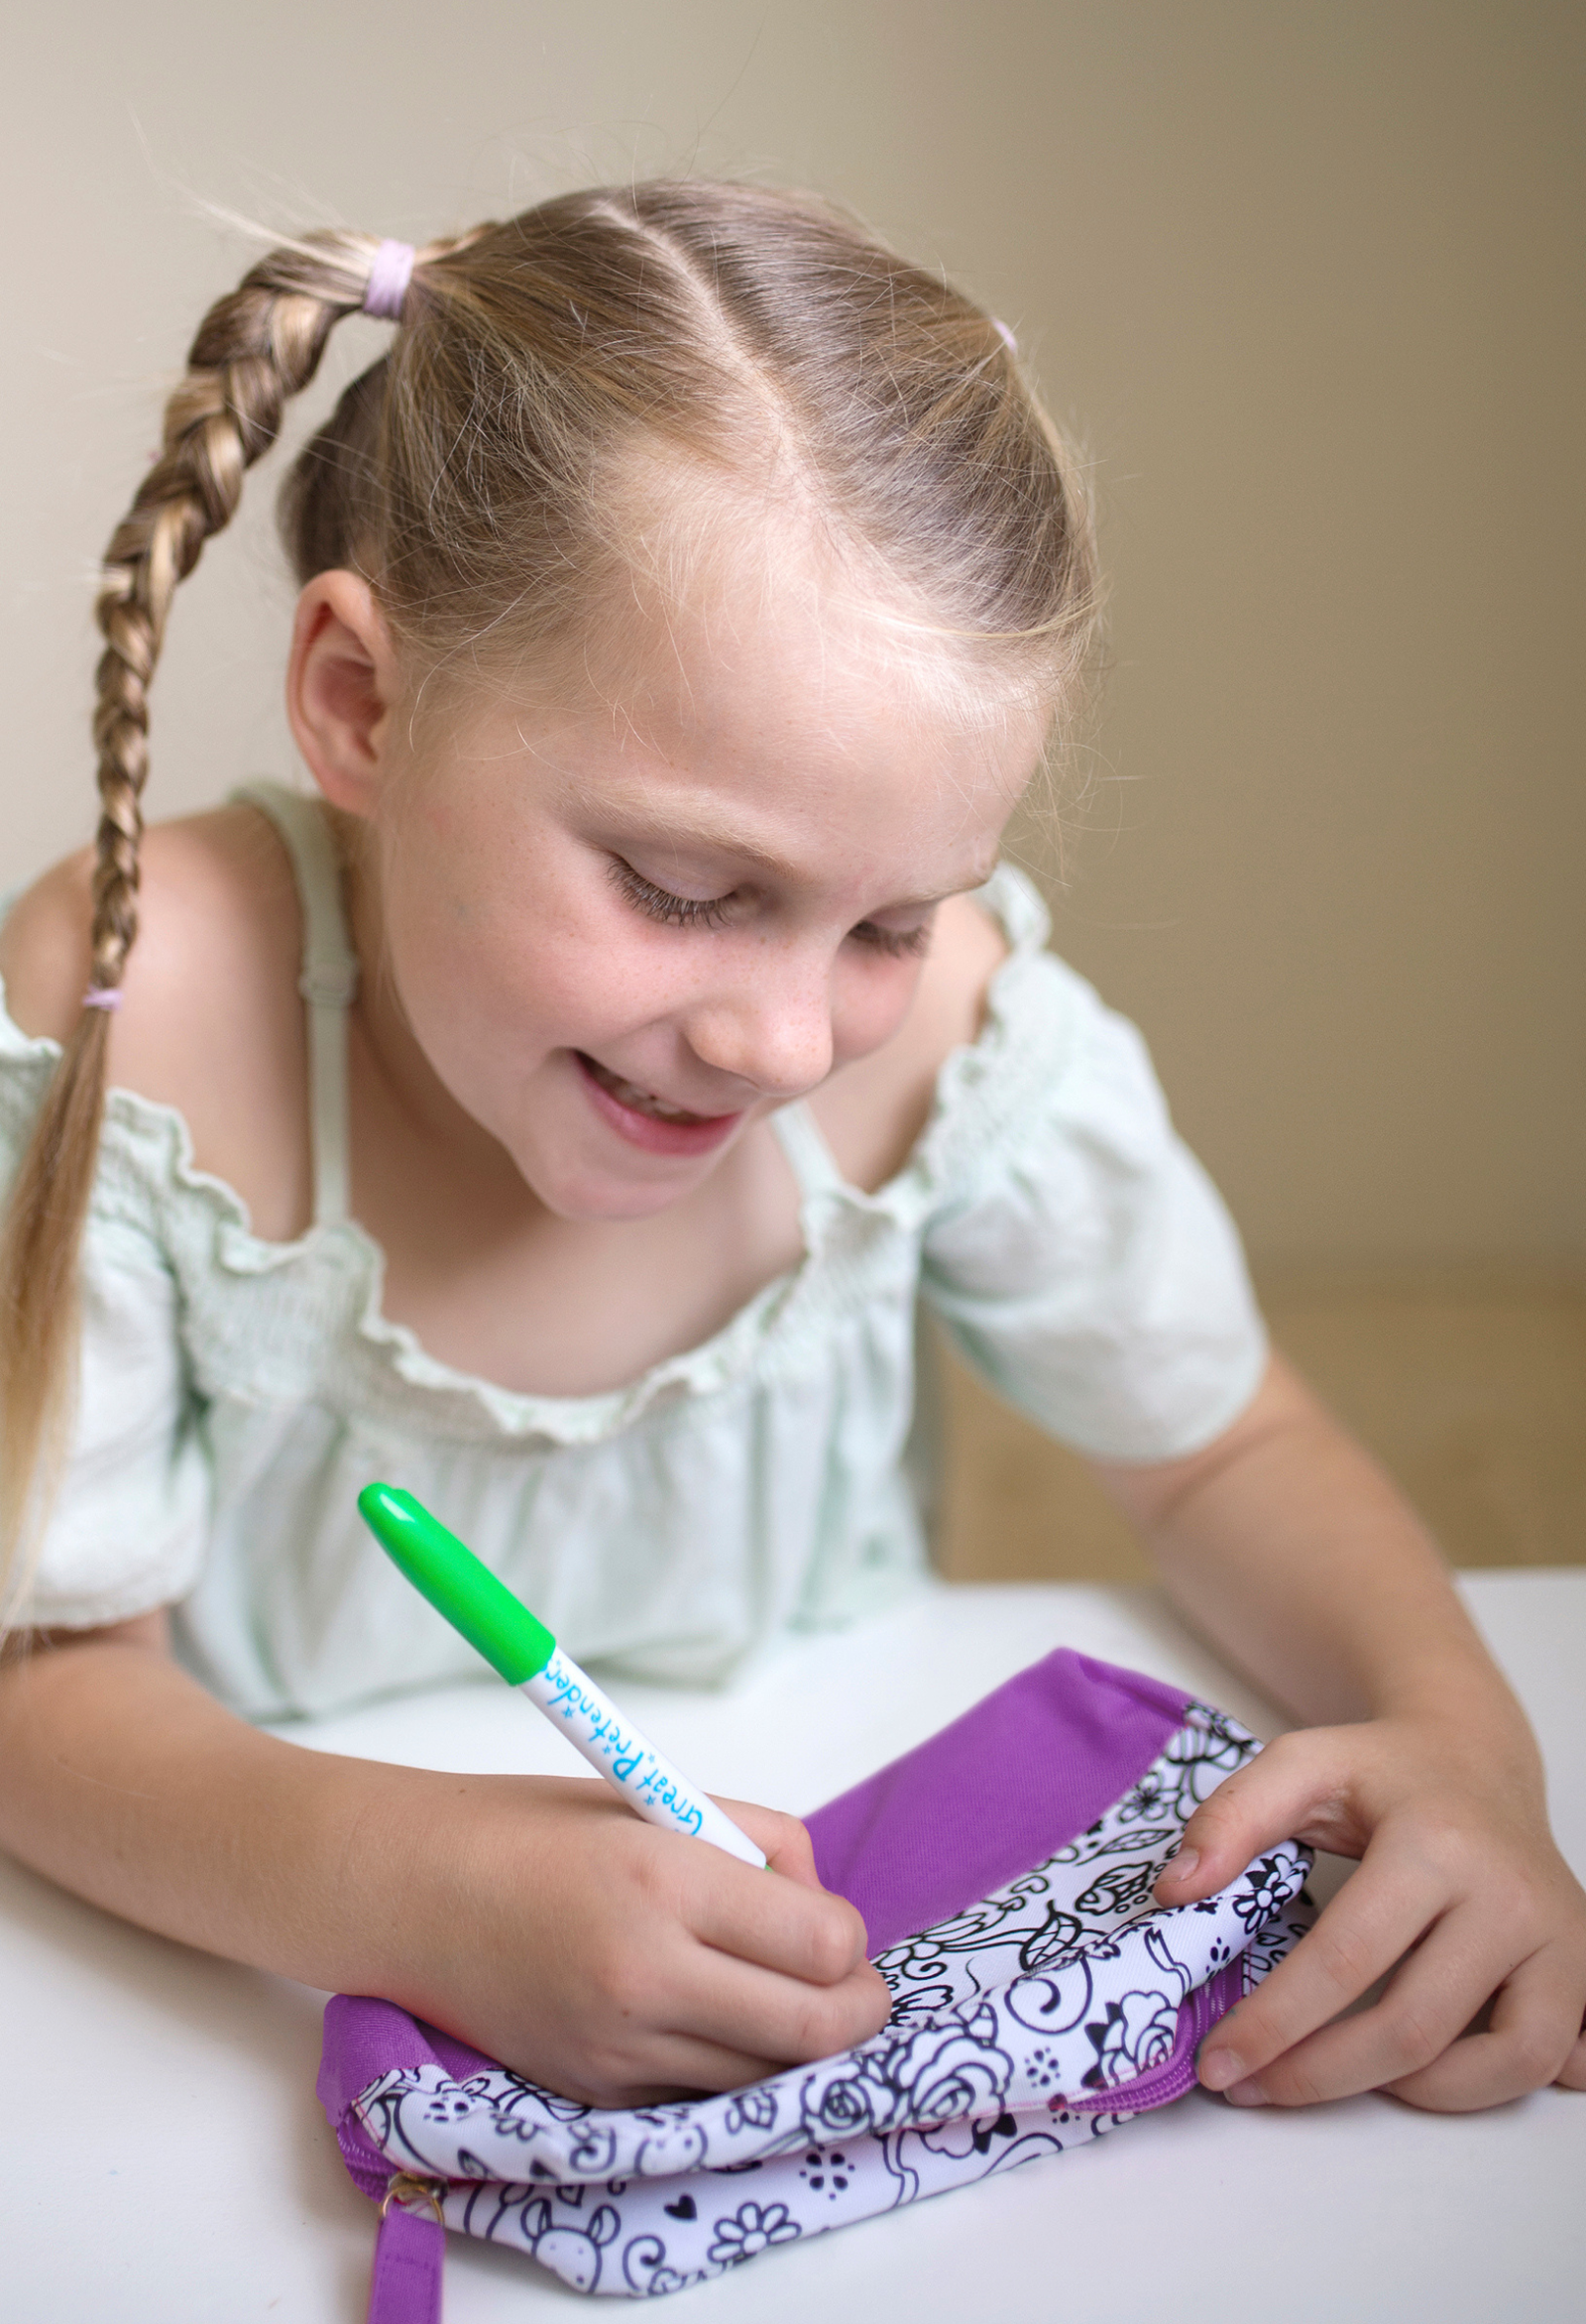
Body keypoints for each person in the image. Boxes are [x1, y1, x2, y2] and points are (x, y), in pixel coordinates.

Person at [0, 183, 1581, 2116]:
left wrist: (1460, 1743)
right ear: (363, 704)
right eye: (684, 887)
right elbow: (34, 1679)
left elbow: (1221, 1451)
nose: (787, 1040)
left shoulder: (951, 1041)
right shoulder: (143, 1012)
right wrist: (417, 1890)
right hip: (200, 1994)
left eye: (892, 920)